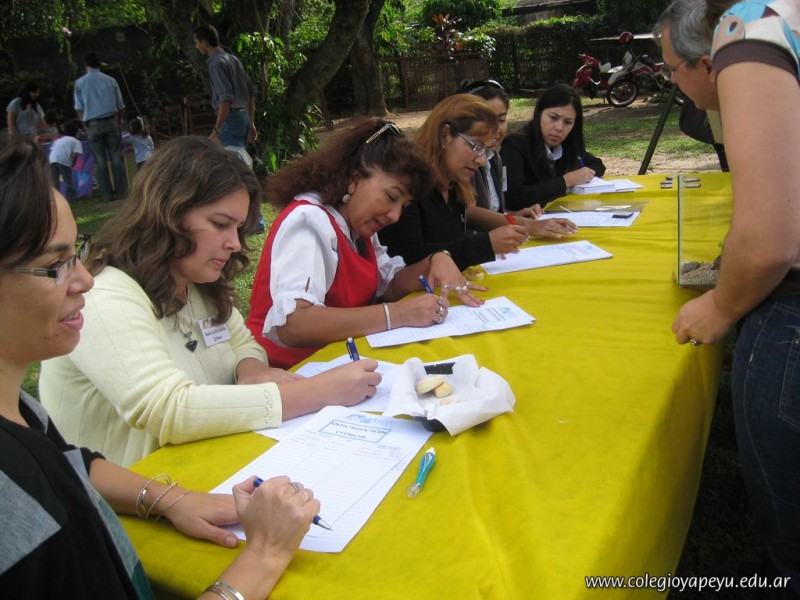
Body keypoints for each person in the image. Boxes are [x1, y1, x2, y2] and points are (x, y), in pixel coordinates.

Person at [0, 133, 321, 599]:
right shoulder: (15, 500)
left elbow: (72, 462)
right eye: (56, 264)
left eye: (77, 254)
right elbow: (166, 408)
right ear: (171, 214)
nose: (85, 279)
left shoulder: (22, 413)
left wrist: (170, 498)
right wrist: (265, 555)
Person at [39, 136, 379, 467]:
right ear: (169, 213)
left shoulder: (195, 282)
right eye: (220, 224)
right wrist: (318, 392)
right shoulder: (105, 296)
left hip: (208, 467)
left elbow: (244, 344)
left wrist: (252, 371)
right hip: (130, 493)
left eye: (238, 228)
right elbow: (167, 409)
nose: (234, 243)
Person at [662, 0, 800, 596]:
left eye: (671, 68)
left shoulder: (745, 28)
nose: (671, 82)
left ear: (707, 62)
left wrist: (720, 305)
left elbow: (769, 239)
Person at [246, 118, 485, 369]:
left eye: (403, 206)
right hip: (287, 374)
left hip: (337, 367)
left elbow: (389, 286)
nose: (395, 216)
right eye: (391, 197)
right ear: (354, 178)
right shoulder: (309, 221)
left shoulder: (358, 226)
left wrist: (435, 260)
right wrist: (398, 314)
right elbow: (293, 324)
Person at [378, 94, 577, 272]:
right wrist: (484, 245)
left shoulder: (451, 183)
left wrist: (529, 225)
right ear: (445, 134)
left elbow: (468, 214)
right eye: (476, 146)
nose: (481, 160)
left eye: (485, 151)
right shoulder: (409, 184)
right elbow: (405, 258)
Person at [500, 84, 606, 211]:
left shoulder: (567, 145)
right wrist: (566, 181)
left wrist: (583, 174)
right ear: (539, 113)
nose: (559, 128)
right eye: (553, 118)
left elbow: (597, 164)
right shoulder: (514, 145)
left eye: (568, 122)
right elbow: (514, 199)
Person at [74, 53, 128, 202]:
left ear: (86, 65)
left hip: (93, 123)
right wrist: (118, 121)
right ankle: (122, 192)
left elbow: (79, 107)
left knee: (100, 159)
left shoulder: (80, 83)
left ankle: (107, 194)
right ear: (99, 64)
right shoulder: (111, 80)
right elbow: (120, 105)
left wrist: (85, 124)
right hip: (111, 120)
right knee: (116, 157)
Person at [193, 24, 257, 149]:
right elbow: (250, 94)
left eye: (197, 42)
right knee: (238, 158)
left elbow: (225, 99)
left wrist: (216, 130)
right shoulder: (233, 59)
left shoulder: (216, 64)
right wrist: (251, 122)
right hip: (242, 118)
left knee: (228, 159)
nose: (196, 46)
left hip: (230, 121)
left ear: (205, 43)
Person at [48, 120, 83, 202]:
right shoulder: (76, 141)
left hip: (52, 159)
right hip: (63, 160)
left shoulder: (59, 140)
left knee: (54, 180)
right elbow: (75, 155)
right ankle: (71, 197)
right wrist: (72, 163)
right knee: (68, 179)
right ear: (76, 132)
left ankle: (55, 199)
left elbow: (53, 149)